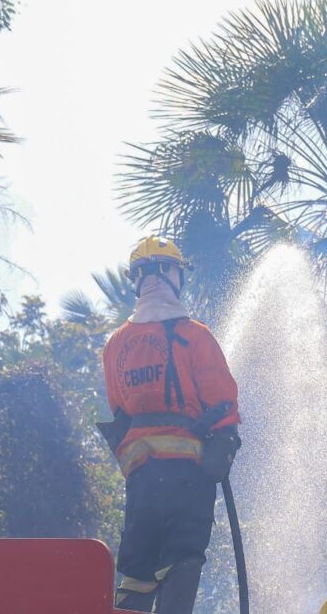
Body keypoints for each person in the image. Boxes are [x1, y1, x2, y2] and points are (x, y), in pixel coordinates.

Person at [100, 236, 241, 613]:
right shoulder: (193, 334)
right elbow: (223, 401)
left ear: (138, 279)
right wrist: (225, 440)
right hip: (186, 474)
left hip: (141, 478)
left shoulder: (115, 344)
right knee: (184, 555)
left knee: (138, 568)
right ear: (169, 273)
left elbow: (119, 408)